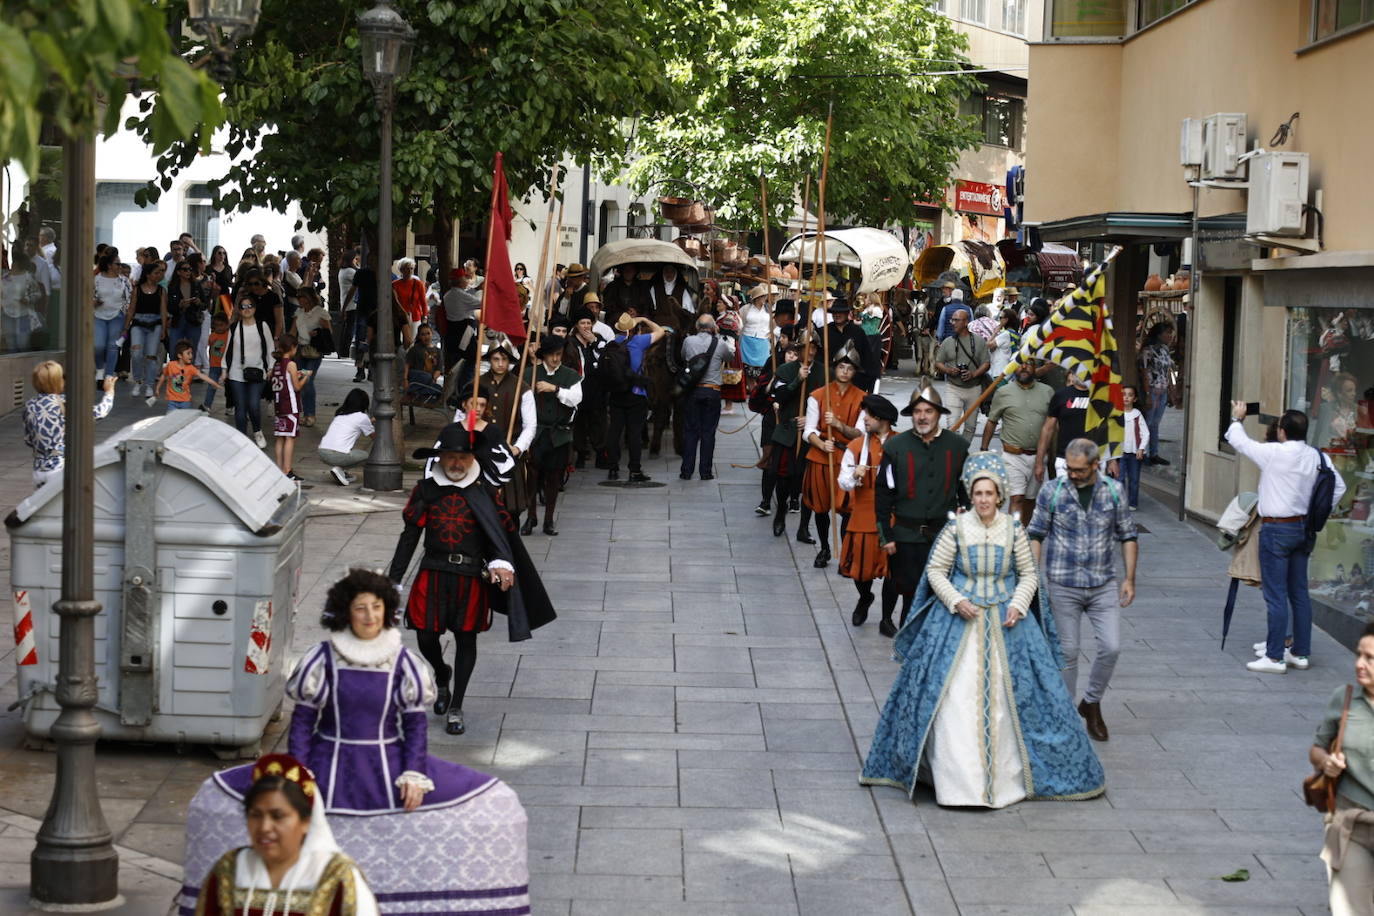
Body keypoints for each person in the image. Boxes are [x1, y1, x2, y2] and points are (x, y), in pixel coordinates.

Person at [861, 453, 1106, 807]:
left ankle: (1011, 781)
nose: (984, 500)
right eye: (978, 494)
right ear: (970, 496)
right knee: (953, 703)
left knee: (1019, 702)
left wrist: (1018, 605)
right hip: (959, 621)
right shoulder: (956, 529)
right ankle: (956, 783)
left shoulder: (1014, 530)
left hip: (1008, 625)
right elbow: (936, 572)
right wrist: (956, 600)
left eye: (990, 494)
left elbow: (1029, 575)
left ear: (1000, 496)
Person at [389, 424, 556, 733]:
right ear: (440, 459)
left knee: (467, 639)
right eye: (450, 457)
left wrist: (500, 562)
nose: (456, 463)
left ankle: (456, 706)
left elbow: (499, 535)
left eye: (462, 457)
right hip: (432, 573)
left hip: (469, 577)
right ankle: (441, 673)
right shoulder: (425, 490)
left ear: (472, 460)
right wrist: (393, 581)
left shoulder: (485, 494)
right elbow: (409, 538)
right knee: (425, 635)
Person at [1027, 438, 1138, 742]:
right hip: (1063, 583)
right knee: (1068, 652)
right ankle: (1064, 717)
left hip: (1103, 583)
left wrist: (1130, 579)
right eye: (1069, 468)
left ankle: (1091, 702)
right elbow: (1036, 533)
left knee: (1112, 647)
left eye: (1078, 470)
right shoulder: (1053, 491)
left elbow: (1128, 535)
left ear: (1095, 465)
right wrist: (1033, 576)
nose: (1072, 474)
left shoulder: (1114, 491)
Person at [1227, 403, 1345, 674]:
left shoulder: (1274, 453)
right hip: (1303, 529)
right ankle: (1300, 652)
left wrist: (1238, 417)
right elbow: (1338, 486)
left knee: (1276, 595)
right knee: (1299, 594)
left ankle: (1275, 656)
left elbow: (1237, 439)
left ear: (1282, 432)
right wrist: (1319, 511)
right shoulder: (1317, 456)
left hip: (1277, 529)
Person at [193, 753, 380, 915]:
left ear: (306, 821)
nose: (265, 827)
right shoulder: (231, 869)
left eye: (278, 816)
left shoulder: (336, 876)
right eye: (255, 815)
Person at [875, 384, 970, 635]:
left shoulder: (958, 447)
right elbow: (883, 495)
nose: (922, 416)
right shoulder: (895, 448)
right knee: (909, 593)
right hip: (906, 537)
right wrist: (886, 536)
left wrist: (967, 519)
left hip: (944, 537)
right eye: (917, 411)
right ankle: (909, 644)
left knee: (942, 594)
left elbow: (966, 492)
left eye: (928, 411)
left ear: (938, 414)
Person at [1313, 621, 1374, 916]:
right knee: (1349, 909)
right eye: (1358, 655)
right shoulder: (1345, 698)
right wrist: (1326, 762)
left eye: (1370, 658)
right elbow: (1317, 748)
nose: (1360, 664)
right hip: (1351, 826)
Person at [800, 343, 865, 567]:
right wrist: (820, 443)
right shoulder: (817, 395)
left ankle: (845, 550)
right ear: (835, 368)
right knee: (819, 507)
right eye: (841, 367)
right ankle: (825, 548)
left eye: (849, 368)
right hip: (821, 457)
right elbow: (808, 431)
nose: (845, 371)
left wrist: (837, 424)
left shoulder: (862, 399)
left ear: (855, 371)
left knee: (847, 508)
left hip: (846, 459)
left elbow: (859, 433)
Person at [838, 393, 898, 628]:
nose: (864, 419)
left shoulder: (902, 443)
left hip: (893, 516)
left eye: (870, 416)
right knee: (859, 571)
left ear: (883, 418)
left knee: (893, 572)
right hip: (863, 513)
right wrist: (854, 474)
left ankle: (886, 618)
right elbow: (843, 481)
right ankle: (865, 597)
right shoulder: (855, 446)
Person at [515, 336, 582, 535]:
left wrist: (555, 389)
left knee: (554, 478)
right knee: (532, 477)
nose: (555, 359)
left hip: (559, 434)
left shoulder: (570, 375)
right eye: (551, 354)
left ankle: (549, 520)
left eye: (559, 355)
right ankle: (531, 517)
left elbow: (576, 399)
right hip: (535, 433)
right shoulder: (529, 374)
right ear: (543, 355)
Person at [981, 359, 1054, 526]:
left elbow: (1053, 426)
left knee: (1030, 500)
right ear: (1014, 367)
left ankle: (1022, 532)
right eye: (1020, 364)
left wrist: (1051, 458)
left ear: (1035, 367)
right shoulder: (1004, 392)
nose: (1024, 367)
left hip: (1038, 457)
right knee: (1017, 498)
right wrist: (983, 450)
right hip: (1012, 456)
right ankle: (1013, 536)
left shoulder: (1048, 392)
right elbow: (992, 421)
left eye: (1029, 363)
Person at [24, 363, 115, 488]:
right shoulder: (65, 402)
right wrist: (109, 392)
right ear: (58, 381)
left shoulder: (30, 405)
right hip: (60, 467)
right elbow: (99, 412)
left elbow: (29, 440)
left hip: (39, 469)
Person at [767, 336, 823, 537]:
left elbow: (828, 404)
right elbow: (779, 398)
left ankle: (803, 527)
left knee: (808, 483)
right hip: (787, 432)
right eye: (805, 347)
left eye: (813, 347)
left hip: (812, 435)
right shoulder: (785, 370)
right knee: (783, 478)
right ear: (798, 349)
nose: (809, 351)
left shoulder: (825, 373)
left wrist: (809, 418)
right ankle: (780, 514)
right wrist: (797, 379)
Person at [605, 312, 662, 483]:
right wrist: (644, 319)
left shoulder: (613, 343)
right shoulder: (639, 341)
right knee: (634, 434)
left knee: (614, 432)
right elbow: (660, 331)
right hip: (636, 393)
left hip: (616, 394)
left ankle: (613, 469)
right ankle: (634, 471)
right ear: (632, 328)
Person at [679, 314, 736, 481]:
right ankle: (705, 472)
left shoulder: (688, 341)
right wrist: (718, 335)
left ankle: (686, 471)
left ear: (697, 327)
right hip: (712, 391)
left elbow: (683, 357)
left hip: (693, 391)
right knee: (708, 433)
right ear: (713, 327)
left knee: (690, 432)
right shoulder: (719, 343)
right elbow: (730, 357)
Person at [1035, 373, 1119, 482]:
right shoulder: (1061, 395)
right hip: (1065, 460)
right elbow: (1047, 429)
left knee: (1093, 498)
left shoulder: (1103, 396)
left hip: (1095, 460)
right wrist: (1039, 462)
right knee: (1066, 498)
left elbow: (1111, 427)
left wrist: (1112, 460)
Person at [478, 342, 530, 514]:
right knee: (482, 508)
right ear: (490, 360)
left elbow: (530, 424)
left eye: (504, 359)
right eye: (496, 359)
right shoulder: (476, 385)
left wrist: (517, 448)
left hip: (509, 454)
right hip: (481, 454)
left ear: (509, 361)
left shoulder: (522, 387)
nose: (500, 363)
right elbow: (463, 417)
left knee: (511, 510)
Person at [934, 307, 990, 438]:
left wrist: (973, 374)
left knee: (970, 427)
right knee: (952, 426)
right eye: (952, 320)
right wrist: (948, 370)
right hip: (953, 387)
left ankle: (962, 453)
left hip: (974, 389)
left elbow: (986, 363)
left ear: (966, 322)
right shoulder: (948, 342)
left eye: (956, 320)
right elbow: (938, 362)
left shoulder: (978, 341)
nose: (952, 323)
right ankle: (953, 455)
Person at [225, 296, 273, 448]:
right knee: (240, 407)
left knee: (253, 405)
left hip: (258, 371)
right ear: (239, 310)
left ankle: (257, 431)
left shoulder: (262, 325)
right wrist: (224, 370)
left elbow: (270, 348)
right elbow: (227, 349)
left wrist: (270, 367)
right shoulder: (234, 327)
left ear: (255, 308)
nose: (247, 309)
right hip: (236, 372)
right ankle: (241, 439)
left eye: (250, 306)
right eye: (243, 306)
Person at [564, 305, 607, 469]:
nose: (586, 326)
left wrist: (594, 342)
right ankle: (581, 453)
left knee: (598, 422)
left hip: (596, 389)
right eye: (583, 323)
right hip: (578, 388)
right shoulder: (571, 343)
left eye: (589, 323)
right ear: (576, 325)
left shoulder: (598, 339)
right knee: (580, 423)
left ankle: (600, 453)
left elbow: (605, 356)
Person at [121, 259, 168, 398]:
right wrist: (125, 327)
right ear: (148, 275)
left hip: (155, 324)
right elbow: (131, 309)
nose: (159, 275)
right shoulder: (137, 289)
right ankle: (138, 380)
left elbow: (163, 311)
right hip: (138, 323)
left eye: (160, 272)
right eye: (156, 273)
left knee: (151, 356)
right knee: (136, 353)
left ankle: (149, 385)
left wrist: (164, 329)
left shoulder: (161, 291)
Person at [270, 333, 311, 479]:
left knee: (280, 437)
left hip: (278, 404)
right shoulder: (291, 364)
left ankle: (280, 469)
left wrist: (296, 374)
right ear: (293, 348)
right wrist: (306, 376)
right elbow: (297, 387)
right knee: (290, 437)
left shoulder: (276, 364)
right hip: (290, 405)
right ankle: (288, 470)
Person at [319, 388, 374, 485]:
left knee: (349, 451)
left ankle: (342, 472)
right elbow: (374, 437)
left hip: (322, 452)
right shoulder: (362, 417)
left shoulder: (340, 414)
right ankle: (340, 469)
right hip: (337, 455)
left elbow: (355, 422)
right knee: (366, 455)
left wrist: (371, 421)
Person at [1140, 321, 1176, 466]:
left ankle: (1153, 453)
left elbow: (1167, 372)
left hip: (1163, 390)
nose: (1170, 335)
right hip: (1152, 390)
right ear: (1159, 334)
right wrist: (1147, 393)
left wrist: (1171, 391)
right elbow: (1144, 371)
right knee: (1147, 423)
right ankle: (1141, 453)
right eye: (1167, 332)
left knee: (1155, 424)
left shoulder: (1165, 350)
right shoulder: (1148, 350)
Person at [824, 299, 879, 392]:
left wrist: (870, 384)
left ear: (847, 314)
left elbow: (868, 357)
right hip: (830, 380)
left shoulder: (857, 332)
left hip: (855, 382)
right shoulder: (824, 331)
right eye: (834, 312)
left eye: (840, 312)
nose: (837, 315)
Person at [157, 338, 222, 412]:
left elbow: (202, 375)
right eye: (188, 353)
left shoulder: (191, 368)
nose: (191, 356)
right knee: (171, 420)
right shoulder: (171, 365)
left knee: (185, 420)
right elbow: (163, 375)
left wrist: (214, 383)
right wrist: (158, 388)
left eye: (191, 353)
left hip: (185, 401)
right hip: (172, 401)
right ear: (180, 355)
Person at [1119, 384, 1150, 510]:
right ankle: (1120, 503)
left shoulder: (1137, 414)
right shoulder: (1117, 413)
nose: (1126, 397)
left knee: (1134, 479)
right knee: (1119, 479)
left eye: (1130, 395)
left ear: (1135, 399)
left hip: (1134, 453)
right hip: (1119, 452)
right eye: (1123, 394)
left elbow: (1146, 433)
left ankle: (1132, 503)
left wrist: (1141, 448)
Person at [404, 323, 444, 401]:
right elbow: (407, 364)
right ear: (419, 336)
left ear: (432, 333)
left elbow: (438, 369)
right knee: (426, 376)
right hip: (416, 377)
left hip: (429, 381)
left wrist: (433, 379)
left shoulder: (438, 351)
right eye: (423, 334)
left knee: (440, 389)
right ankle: (415, 389)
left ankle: (417, 391)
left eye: (428, 333)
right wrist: (405, 379)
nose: (426, 337)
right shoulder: (415, 349)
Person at [200, 312, 231, 412]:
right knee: (211, 386)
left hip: (226, 367)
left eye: (221, 325)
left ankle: (230, 406)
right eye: (216, 325)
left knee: (230, 388)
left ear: (227, 324)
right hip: (214, 366)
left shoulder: (229, 335)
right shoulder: (212, 336)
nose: (219, 328)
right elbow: (205, 347)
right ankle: (207, 405)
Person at [392, 257, 428, 343]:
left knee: (411, 341)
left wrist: (424, 316)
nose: (409, 270)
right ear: (401, 270)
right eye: (407, 268)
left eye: (411, 268)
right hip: (399, 316)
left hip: (414, 316)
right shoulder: (394, 284)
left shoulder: (418, 284)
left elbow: (423, 302)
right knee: (398, 341)